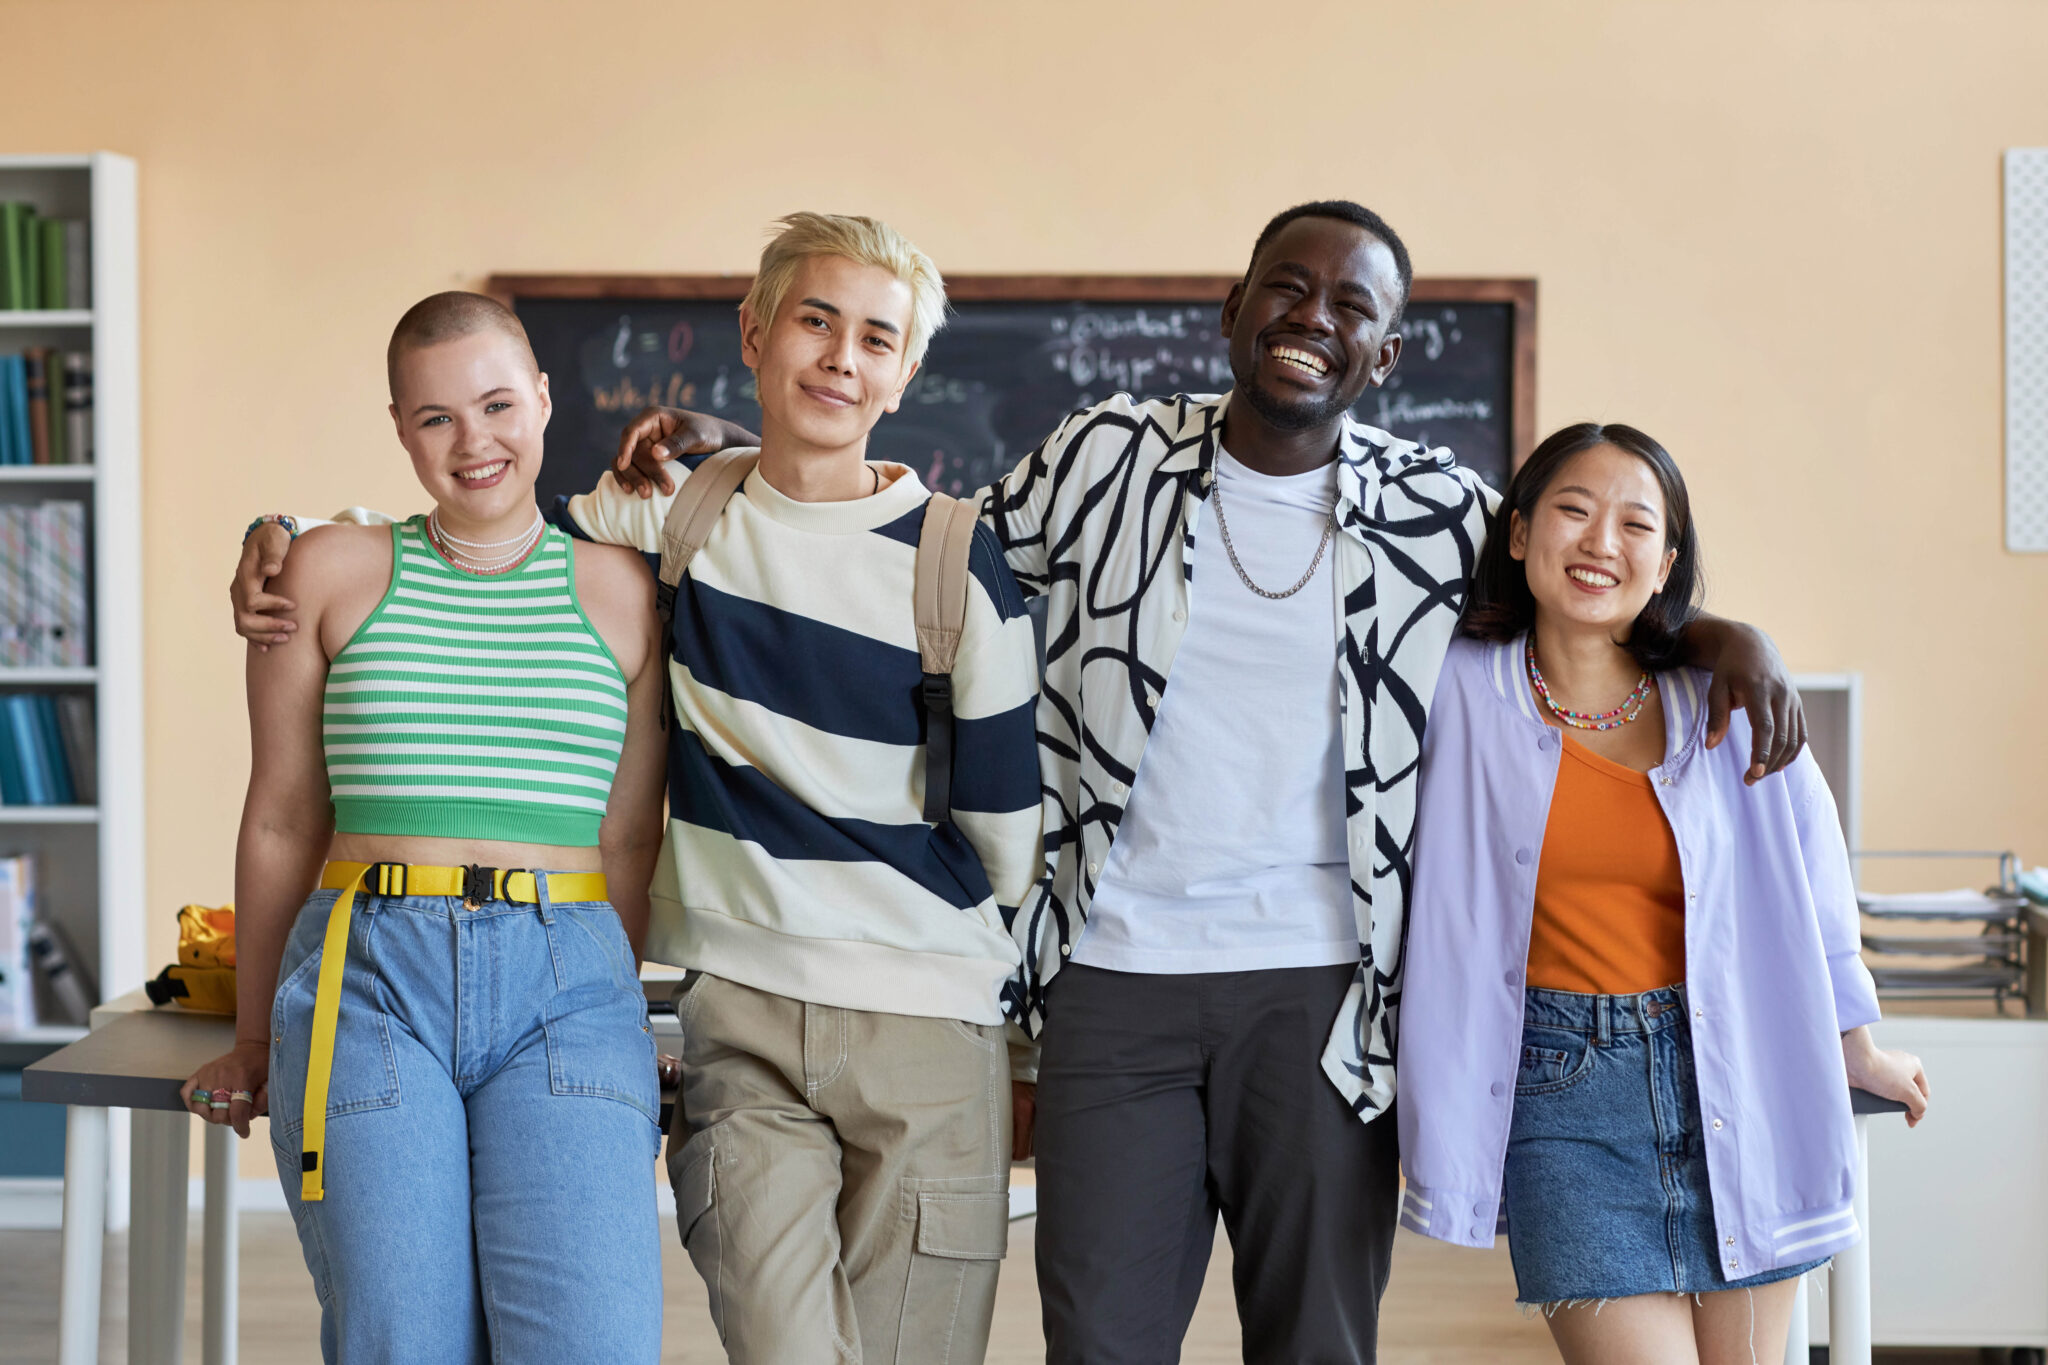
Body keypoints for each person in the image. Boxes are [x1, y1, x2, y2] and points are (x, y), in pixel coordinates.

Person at [581, 201, 1814, 1363]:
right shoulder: (1104, 453)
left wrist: (1718, 639)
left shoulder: (1435, 510)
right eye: (1285, 286)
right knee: (1103, 1342)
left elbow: (1580, 588)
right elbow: (911, 540)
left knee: (1314, 1344)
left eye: (1349, 305)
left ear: (1384, 357)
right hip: (1115, 988)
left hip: (1325, 1003)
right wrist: (738, 454)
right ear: (1231, 310)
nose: (1311, 316)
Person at [225, 214, 1045, 1365]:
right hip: (540, 986)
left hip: (778, 993)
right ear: (754, 333)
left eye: (874, 338)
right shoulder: (639, 530)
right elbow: (296, 797)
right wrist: (280, 532)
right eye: (813, 322)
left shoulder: (886, 564)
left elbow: (998, 838)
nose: (839, 359)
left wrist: (1005, 1038)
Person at [181, 291, 671, 1363]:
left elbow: (629, 841)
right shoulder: (327, 572)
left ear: (544, 399)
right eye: (436, 417)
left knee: (592, 1342)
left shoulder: (624, 591)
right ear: (399, 426)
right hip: (368, 975)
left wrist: (622, 1014)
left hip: (569, 982)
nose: (474, 441)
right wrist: (256, 1040)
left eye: (497, 404)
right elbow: (278, 819)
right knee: (402, 1337)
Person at [1396, 422, 1929, 1363]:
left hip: (1739, 1075)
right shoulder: (1454, 689)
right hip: (1560, 1101)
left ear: (1666, 560)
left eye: (1636, 523)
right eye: (1573, 510)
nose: (1602, 541)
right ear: (1519, 534)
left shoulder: (1725, 698)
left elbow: (1813, 879)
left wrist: (1857, 1045)